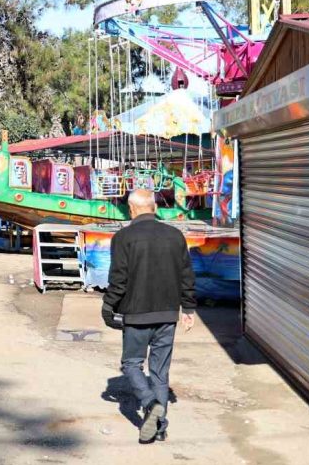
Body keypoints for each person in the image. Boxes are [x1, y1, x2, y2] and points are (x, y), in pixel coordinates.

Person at [102, 189, 196, 444]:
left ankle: (149, 402)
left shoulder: (123, 237)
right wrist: (188, 308)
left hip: (136, 314)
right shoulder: (175, 236)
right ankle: (160, 426)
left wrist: (108, 306)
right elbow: (187, 275)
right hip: (167, 314)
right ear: (154, 207)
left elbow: (118, 279)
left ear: (131, 209)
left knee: (131, 364)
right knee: (160, 373)